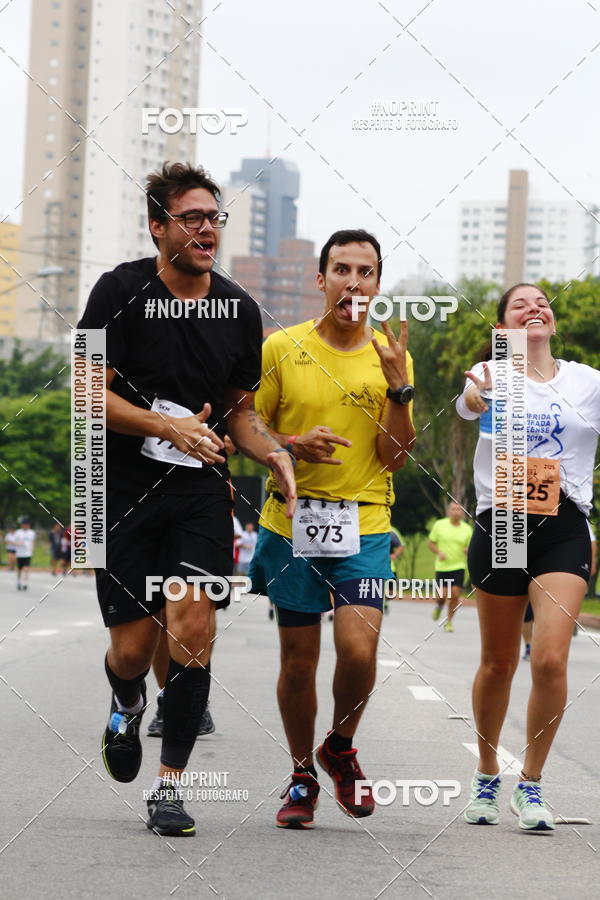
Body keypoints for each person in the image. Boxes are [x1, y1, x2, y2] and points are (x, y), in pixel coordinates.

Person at [77, 161, 296, 837]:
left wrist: (276, 452)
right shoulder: (116, 290)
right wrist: (164, 424)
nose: (208, 229)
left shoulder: (241, 310)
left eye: (214, 217)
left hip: (201, 491)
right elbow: (86, 392)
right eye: (193, 217)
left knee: (195, 626)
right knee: (134, 652)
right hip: (116, 492)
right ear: (158, 226)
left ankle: (170, 786)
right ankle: (124, 700)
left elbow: (239, 413)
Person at [249, 229, 415, 829]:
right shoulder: (279, 348)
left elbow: (396, 455)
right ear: (321, 280)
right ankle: (301, 775)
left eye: (365, 271)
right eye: (341, 269)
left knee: (358, 649)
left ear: (377, 283)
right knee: (298, 661)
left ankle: (340, 746)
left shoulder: (391, 356)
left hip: (365, 524)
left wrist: (400, 385)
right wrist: (292, 445)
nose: (353, 281)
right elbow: (250, 428)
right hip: (291, 521)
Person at [457, 282, 600, 832]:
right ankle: (488, 773)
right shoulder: (491, 374)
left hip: (564, 524)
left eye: (543, 303)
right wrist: (479, 395)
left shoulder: (586, 382)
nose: (534, 308)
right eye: (520, 305)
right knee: (498, 662)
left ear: (553, 324)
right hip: (505, 522)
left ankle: (532, 785)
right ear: (504, 327)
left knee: (549, 659)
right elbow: (469, 406)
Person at [427, 501, 472, 632]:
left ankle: (449, 621)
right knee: (442, 596)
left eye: (459, 509)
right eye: (453, 509)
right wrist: (438, 552)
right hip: (442, 566)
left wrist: (467, 550)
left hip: (458, 566)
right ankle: (439, 606)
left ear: (462, 513)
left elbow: (470, 547)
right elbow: (430, 543)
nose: (456, 511)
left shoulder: (467, 529)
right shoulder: (439, 525)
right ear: (448, 511)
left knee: (455, 594)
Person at [14, 518, 35, 590]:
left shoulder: (31, 532)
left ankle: (25, 583)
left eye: (27, 524)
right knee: (19, 569)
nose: (26, 526)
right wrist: (19, 543)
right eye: (24, 524)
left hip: (27, 554)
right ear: (22, 525)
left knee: (26, 568)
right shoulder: (18, 532)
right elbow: (14, 542)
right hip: (19, 554)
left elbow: (32, 542)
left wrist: (32, 549)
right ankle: (18, 581)